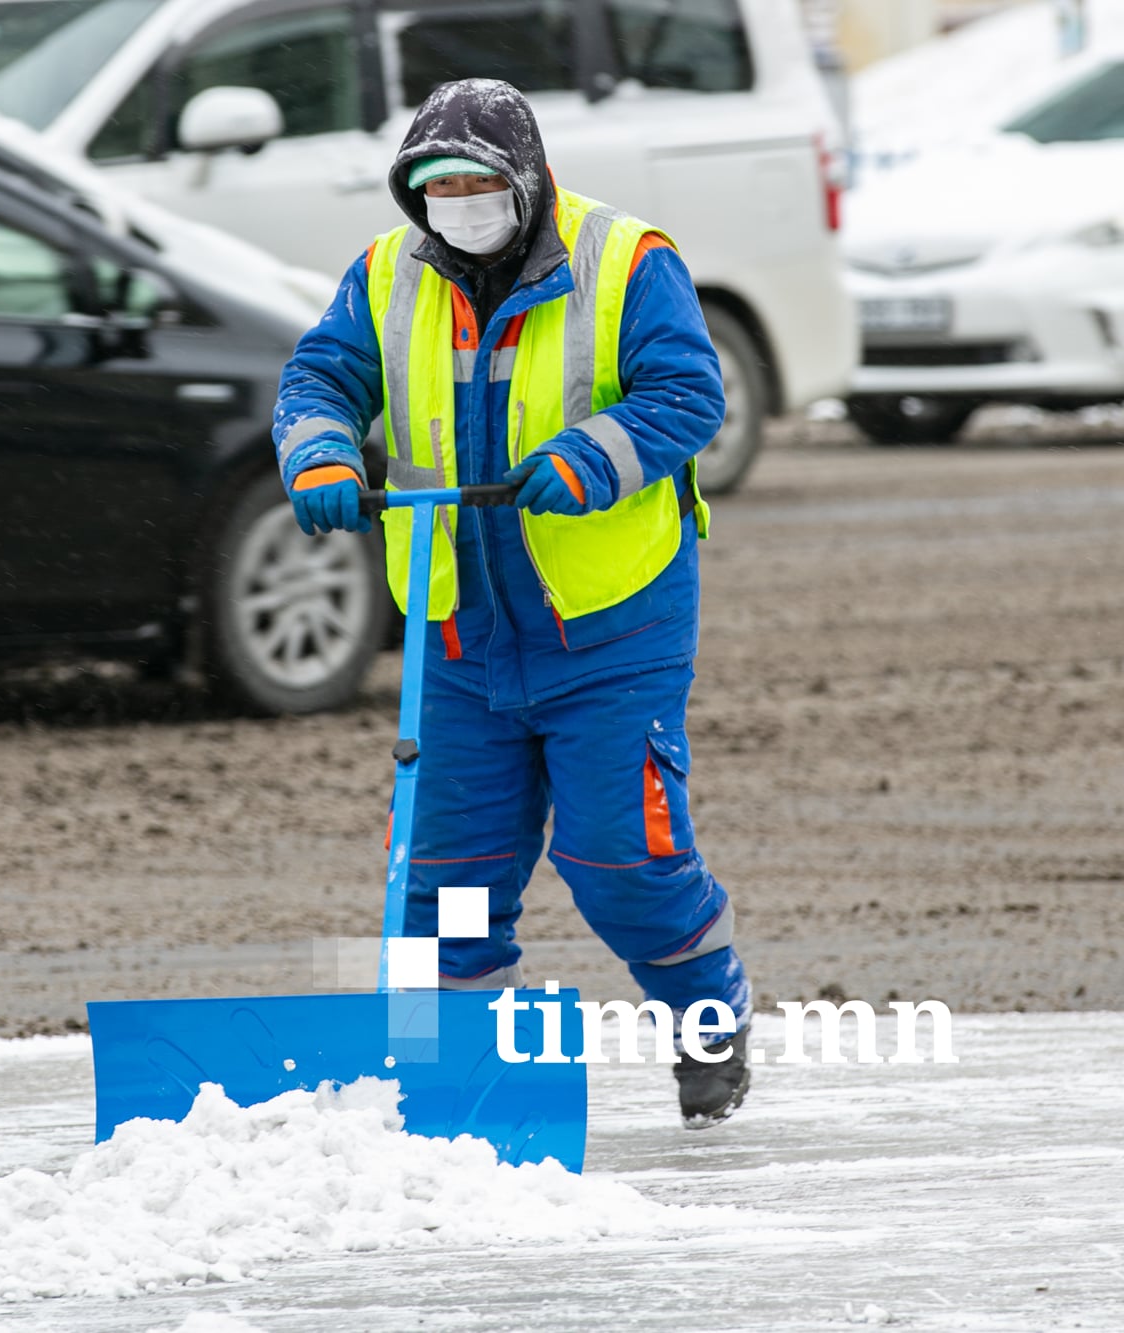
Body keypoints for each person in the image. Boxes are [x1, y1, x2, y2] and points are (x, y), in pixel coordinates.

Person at [272, 78, 751, 1127]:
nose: (457, 202)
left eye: (476, 182)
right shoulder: (386, 271)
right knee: (441, 873)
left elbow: (686, 392)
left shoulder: (624, 261)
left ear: (524, 182)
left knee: (619, 855)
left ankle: (707, 1022)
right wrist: (315, 453)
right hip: (457, 626)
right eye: (434, 186)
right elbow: (320, 376)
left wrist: (590, 456)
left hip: (607, 623)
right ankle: (448, 1079)